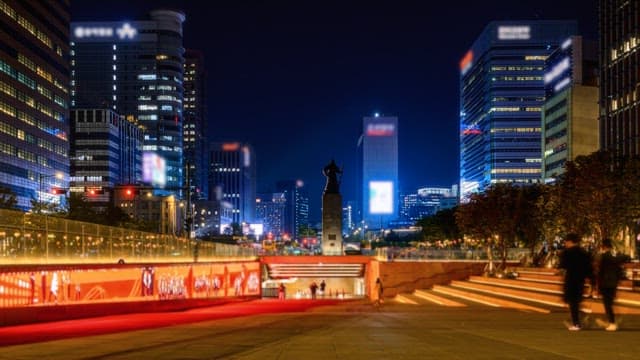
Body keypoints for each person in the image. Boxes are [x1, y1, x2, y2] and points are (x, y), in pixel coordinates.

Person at [558, 233, 594, 331]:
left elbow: (562, 267)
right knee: (576, 302)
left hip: (570, 280)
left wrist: (559, 272)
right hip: (580, 281)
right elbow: (589, 269)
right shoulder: (584, 253)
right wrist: (592, 282)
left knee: (572, 303)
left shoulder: (566, 253)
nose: (565, 243)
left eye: (566, 241)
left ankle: (577, 324)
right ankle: (579, 319)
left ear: (569, 241)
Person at [595, 238, 626, 331]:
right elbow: (619, 270)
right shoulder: (615, 257)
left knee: (607, 303)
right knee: (610, 303)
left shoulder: (604, 257)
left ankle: (612, 323)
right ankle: (612, 320)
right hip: (613, 283)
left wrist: (597, 285)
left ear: (603, 246)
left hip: (605, 283)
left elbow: (600, 272)